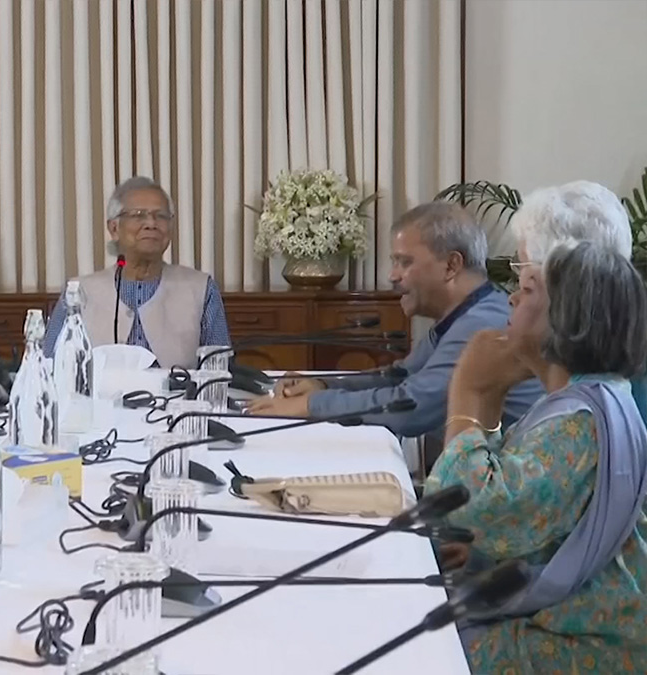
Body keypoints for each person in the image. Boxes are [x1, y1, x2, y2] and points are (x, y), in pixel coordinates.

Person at [425, 241, 647, 671]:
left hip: (590, 639)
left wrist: (469, 390)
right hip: (578, 617)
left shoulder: (578, 423)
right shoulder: (587, 402)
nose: (510, 298)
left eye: (526, 290)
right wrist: (484, 555)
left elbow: (470, 508)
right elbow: (533, 519)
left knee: (432, 652)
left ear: (568, 320)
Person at [250, 202, 544, 465]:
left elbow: (409, 408)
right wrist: (323, 386)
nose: (393, 275)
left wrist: (309, 405)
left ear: (451, 265)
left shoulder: (480, 323)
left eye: (405, 262)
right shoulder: (466, 312)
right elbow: (399, 377)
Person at [44, 176, 230, 369]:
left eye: (161, 216)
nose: (151, 223)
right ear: (114, 228)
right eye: (138, 215)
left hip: (179, 389)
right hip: (99, 390)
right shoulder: (78, 291)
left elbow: (219, 366)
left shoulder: (201, 288)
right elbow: (50, 362)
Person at [508, 179, 646, 422]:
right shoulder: (615, 378)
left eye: (525, 272)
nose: (513, 295)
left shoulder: (583, 411)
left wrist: (471, 394)